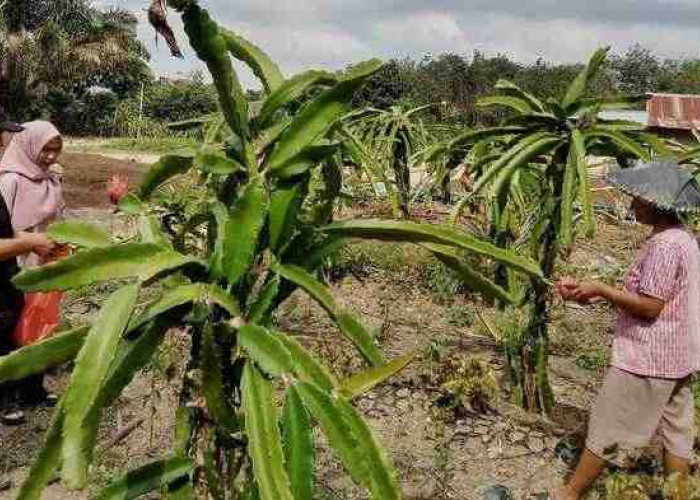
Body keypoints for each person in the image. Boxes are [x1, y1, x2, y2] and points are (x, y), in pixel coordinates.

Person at [552, 161, 700, 499]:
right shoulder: (684, 238)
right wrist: (592, 292)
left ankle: (570, 493)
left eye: (638, 200)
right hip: (678, 355)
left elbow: (650, 306)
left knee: (609, 427)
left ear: (656, 203)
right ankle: (681, 494)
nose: (633, 205)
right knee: (676, 433)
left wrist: (602, 289)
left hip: (649, 356)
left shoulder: (664, 247)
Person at [0, 121, 65, 266]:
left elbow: (60, 222)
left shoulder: (52, 179)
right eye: (46, 150)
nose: (51, 157)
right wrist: (31, 242)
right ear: (27, 147)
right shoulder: (10, 181)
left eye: (56, 150)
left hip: (49, 262)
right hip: (17, 265)